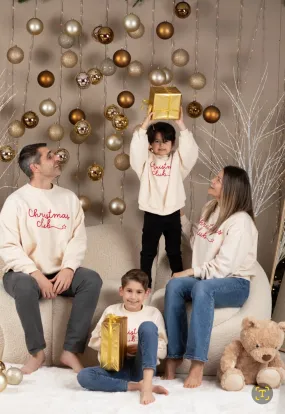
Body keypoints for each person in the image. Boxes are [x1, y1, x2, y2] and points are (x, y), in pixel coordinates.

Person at [0, 143, 102, 374]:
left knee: (91, 279)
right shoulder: (16, 202)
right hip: (23, 273)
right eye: (50, 156)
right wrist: (36, 275)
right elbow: (8, 246)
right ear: (35, 166)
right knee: (26, 286)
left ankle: (70, 351)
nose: (57, 157)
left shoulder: (68, 198)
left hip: (59, 272)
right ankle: (37, 353)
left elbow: (78, 238)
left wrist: (68, 268)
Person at [163, 166, 257, 388]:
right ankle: (175, 355)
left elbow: (223, 268)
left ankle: (197, 364)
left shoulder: (241, 222)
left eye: (219, 179)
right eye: (215, 176)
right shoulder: (211, 207)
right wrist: (182, 218)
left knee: (202, 289)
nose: (213, 180)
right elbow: (198, 242)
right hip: (207, 279)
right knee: (175, 285)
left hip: (235, 283)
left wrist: (191, 271)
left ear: (231, 189)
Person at [77, 269, 169, 405]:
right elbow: (93, 341)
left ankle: (147, 385)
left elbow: (162, 351)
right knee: (83, 376)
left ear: (147, 293)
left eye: (139, 292)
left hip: (141, 368)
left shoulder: (152, 313)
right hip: (116, 368)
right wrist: (119, 347)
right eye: (129, 291)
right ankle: (138, 386)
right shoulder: (111, 311)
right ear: (121, 291)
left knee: (148, 327)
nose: (133, 297)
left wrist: (140, 348)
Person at [130, 108, 198, 288]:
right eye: (156, 141)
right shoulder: (145, 162)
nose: (161, 145)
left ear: (173, 143)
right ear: (150, 144)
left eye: (166, 141)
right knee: (148, 253)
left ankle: (180, 286)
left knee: (174, 251)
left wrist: (181, 124)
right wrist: (145, 125)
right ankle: (144, 287)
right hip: (152, 213)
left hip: (173, 213)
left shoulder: (178, 162)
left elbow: (190, 152)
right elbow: (136, 151)